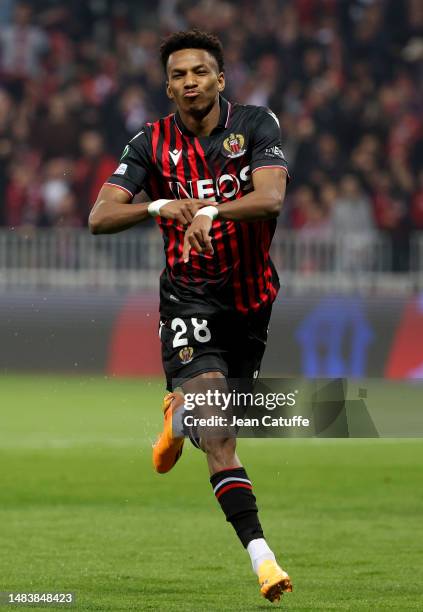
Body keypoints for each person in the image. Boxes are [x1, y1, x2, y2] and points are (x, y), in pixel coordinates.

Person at [89, 29, 292, 603]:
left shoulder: (256, 125)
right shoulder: (150, 143)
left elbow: (271, 199)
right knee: (222, 433)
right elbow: (99, 215)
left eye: (199, 72)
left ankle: (178, 413)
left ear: (219, 80)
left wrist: (209, 209)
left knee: (218, 425)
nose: (189, 83)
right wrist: (155, 203)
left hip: (251, 301)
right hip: (188, 299)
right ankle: (264, 560)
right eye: (178, 76)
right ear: (168, 86)